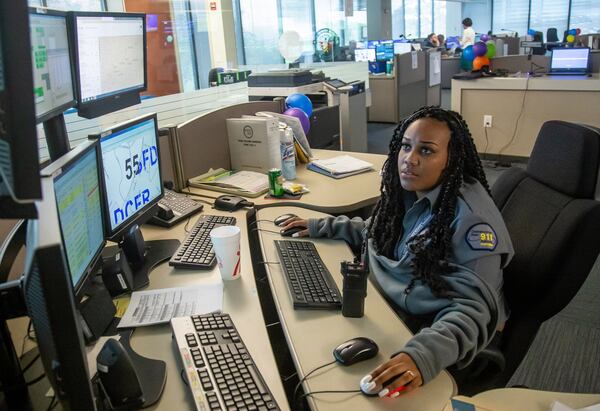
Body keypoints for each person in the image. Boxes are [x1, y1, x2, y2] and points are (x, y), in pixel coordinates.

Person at [279, 106, 514, 397]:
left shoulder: (471, 222)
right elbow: (379, 231)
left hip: (430, 333)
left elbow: (472, 309)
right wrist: (324, 226)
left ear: (451, 159)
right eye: (405, 146)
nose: (409, 159)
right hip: (391, 308)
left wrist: (421, 356)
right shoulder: (414, 189)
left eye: (426, 151)